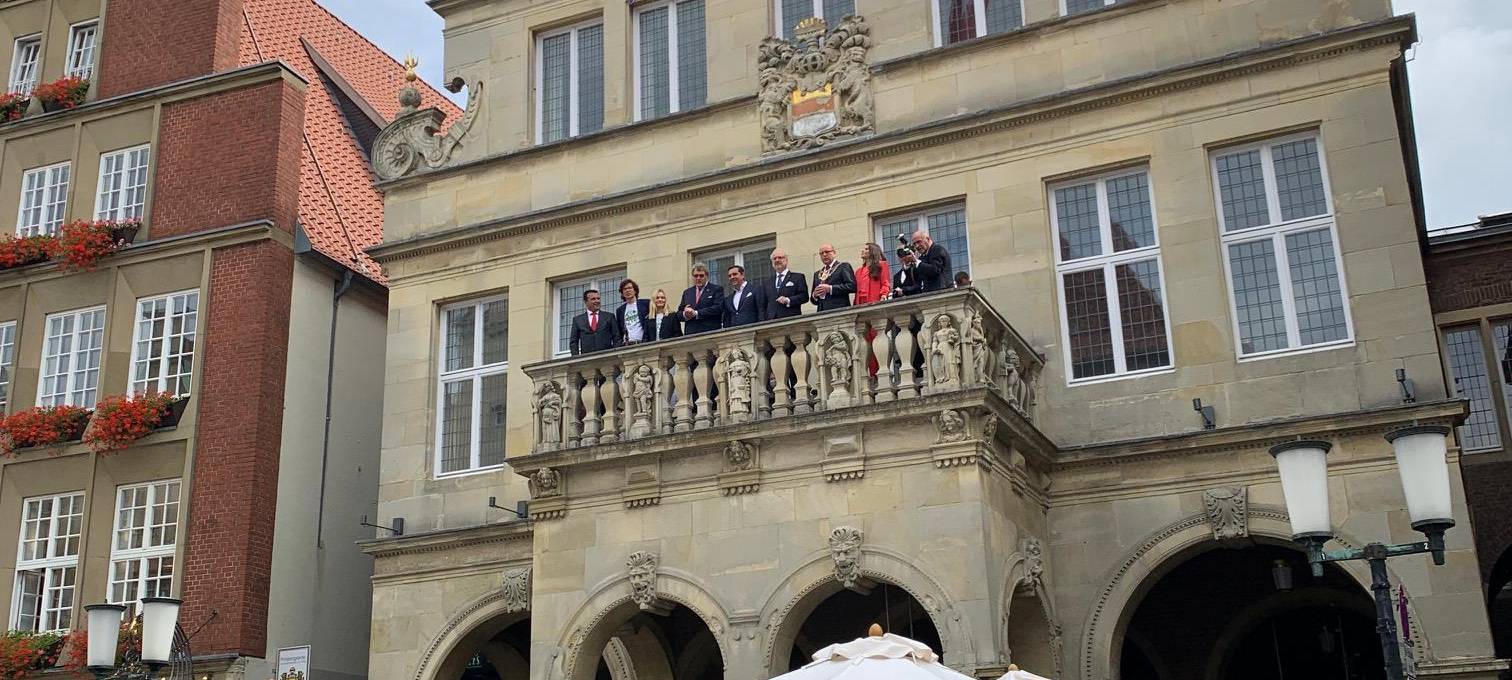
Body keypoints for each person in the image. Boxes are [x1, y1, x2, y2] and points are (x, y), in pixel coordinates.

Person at [855, 242, 891, 377]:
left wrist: (883, 296)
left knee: (877, 339)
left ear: (872, 251)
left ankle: (880, 374)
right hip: (861, 306)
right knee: (866, 343)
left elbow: (886, 283)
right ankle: (871, 375)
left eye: (866, 249)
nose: (862, 251)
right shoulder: (858, 271)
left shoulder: (881, 265)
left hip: (874, 303)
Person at [569, 288, 620, 355]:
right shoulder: (577, 320)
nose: (597, 301)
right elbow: (573, 342)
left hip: (607, 357)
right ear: (586, 302)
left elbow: (617, 337)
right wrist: (576, 358)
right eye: (593, 299)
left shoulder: (609, 317)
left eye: (598, 298)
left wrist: (615, 354)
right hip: (587, 358)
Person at [679, 263, 725, 334]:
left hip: (710, 332)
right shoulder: (687, 292)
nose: (698, 278)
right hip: (691, 333)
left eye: (701, 276)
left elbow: (718, 308)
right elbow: (679, 314)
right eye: (696, 276)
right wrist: (685, 314)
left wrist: (696, 313)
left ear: (707, 276)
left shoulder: (716, 289)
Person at [811, 243, 855, 312]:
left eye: (827, 252)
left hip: (840, 310)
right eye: (821, 253)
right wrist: (815, 295)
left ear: (834, 252)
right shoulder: (817, 274)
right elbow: (813, 301)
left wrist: (830, 288)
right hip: (821, 312)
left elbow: (852, 286)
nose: (824, 255)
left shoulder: (843, 266)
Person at [766, 248, 808, 319]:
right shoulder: (768, 282)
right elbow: (763, 305)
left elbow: (804, 297)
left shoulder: (797, 277)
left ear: (786, 260)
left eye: (780, 257)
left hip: (791, 319)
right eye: (774, 258)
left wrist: (788, 300)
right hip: (772, 321)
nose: (777, 260)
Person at [615, 279, 652, 345]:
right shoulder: (620, 310)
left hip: (642, 343)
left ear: (635, 290)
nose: (627, 290)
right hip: (626, 344)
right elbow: (619, 330)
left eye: (630, 288)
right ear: (622, 293)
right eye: (625, 289)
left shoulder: (645, 303)